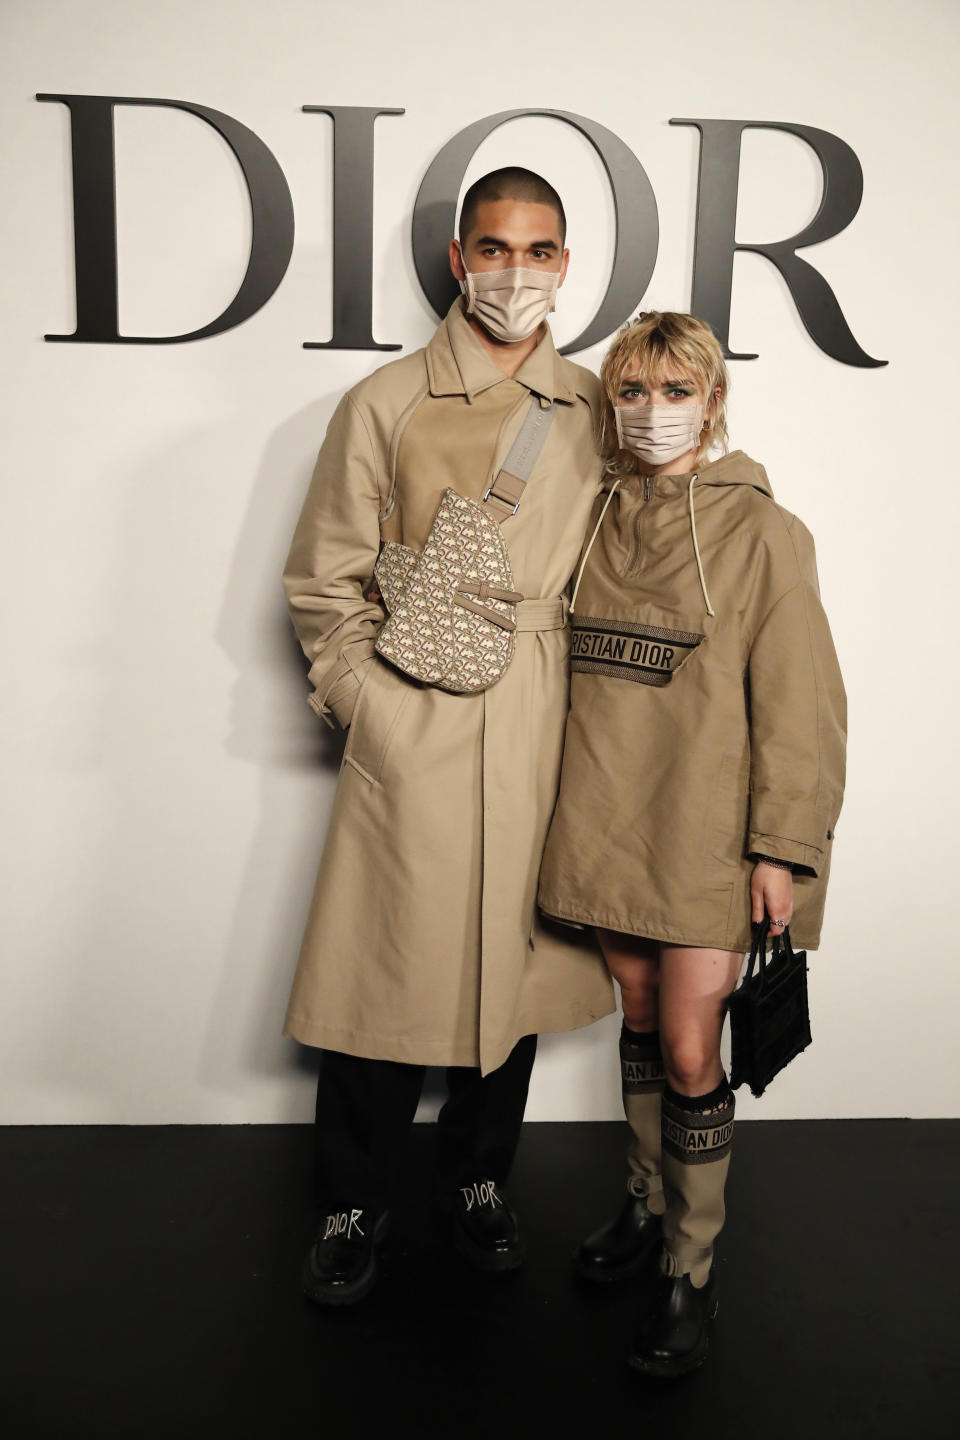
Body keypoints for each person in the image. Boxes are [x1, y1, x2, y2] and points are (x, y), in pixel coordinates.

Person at [282, 167, 615, 1305]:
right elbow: (324, 582)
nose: (513, 272)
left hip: (544, 716)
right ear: (459, 258)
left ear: (566, 264)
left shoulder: (600, 410)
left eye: (537, 250)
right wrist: (368, 703)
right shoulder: (385, 402)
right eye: (492, 247)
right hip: (416, 709)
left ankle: (479, 1178)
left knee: (513, 967)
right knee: (383, 964)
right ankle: (349, 1198)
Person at [538, 311, 846, 1376]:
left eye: (677, 393)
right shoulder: (594, 516)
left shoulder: (767, 534)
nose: (652, 412)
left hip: (706, 836)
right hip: (608, 823)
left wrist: (780, 849)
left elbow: (804, 707)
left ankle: (690, 1267)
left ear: (713, 403)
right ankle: (642, 1205)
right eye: (633, 391)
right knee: (633, 1021)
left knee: (687, 1051)